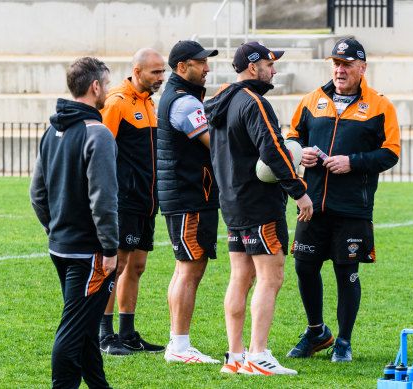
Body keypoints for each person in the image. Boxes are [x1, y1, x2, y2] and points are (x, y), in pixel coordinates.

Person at [285, 38, 401, 362]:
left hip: (353, 207)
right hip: (312, 204)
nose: (339, 70)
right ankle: (317, 332)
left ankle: (344, 342)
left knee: (346, 271)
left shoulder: (380, 105)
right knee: (304, 267)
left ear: (362, 68)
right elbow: (292, 137)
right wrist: (300, 152)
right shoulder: (311, 101)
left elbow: (390, 153)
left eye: (347, 64)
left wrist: (353, 161)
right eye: (336, 63)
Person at [205, 41, 313, 376]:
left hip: (232, 204)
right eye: (269, 63)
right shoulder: (255, 103)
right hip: (259, 205)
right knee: (271, 277)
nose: (274, 69)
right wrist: (299, 192)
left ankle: (236, 357)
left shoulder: (221, 102)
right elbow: (273, 151)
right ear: (253, 67)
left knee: (240, 277)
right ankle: (259, 354)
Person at [30, 57, 118, 388]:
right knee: (73, 330)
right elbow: (104, 200)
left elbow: (36, 193)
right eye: (107, 84)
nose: (108, 90)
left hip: (62, 248)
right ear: (95, 87)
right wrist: (109, 247)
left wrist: (56, 230)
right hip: (89, 252)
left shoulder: (52, 130)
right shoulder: (99, 134)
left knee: (85, 322)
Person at [97, 48, 166, 355]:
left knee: (136, 267)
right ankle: (104, 333)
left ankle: (127, 333)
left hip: (146, 200)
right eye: (155, 72)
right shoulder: (116, 102)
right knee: (116, 265)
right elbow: (100, 151)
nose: (161, 78)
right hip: (123, 200)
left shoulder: (150, 103)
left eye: (162, 72)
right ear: (137, 71)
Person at [157, 40, 220, 364]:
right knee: (188, 269)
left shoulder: (184, 98)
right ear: (182, 67)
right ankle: (179, 346)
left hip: (189, 195)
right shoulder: (184, 104)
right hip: (188, 196)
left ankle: (178, 343)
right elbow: (215, 144)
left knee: (187, 268)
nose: (207, 68)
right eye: (200, 63)